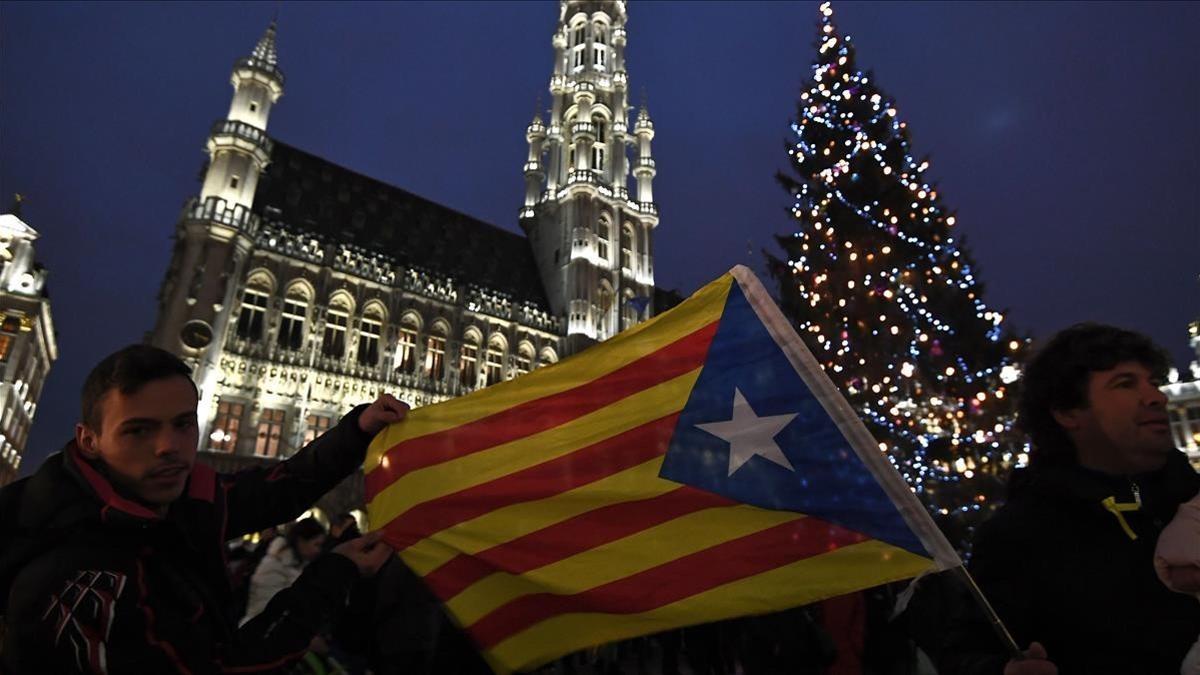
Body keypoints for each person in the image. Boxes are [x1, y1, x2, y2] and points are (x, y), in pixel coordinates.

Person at [0, 344, 407, 673]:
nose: (169, 447)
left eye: (183, 424)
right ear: (88, 439)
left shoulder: (172, 499)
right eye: (138, 430)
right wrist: (336, 573)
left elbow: (282, 489)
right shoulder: (78, 577)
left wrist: (357, 430)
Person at [938, 323, 1200, 674]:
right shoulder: (1019, 536)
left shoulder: (1189, 501)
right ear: (1067, 412)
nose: (1158, 396)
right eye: (1125, 384)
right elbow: (964, 651)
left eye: (1153, 381)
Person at [241, 517, 327, 624]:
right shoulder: (276, 566)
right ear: (301, 541)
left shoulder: (296, 565)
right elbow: (265, 608)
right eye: (316, 544)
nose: (318, 550)